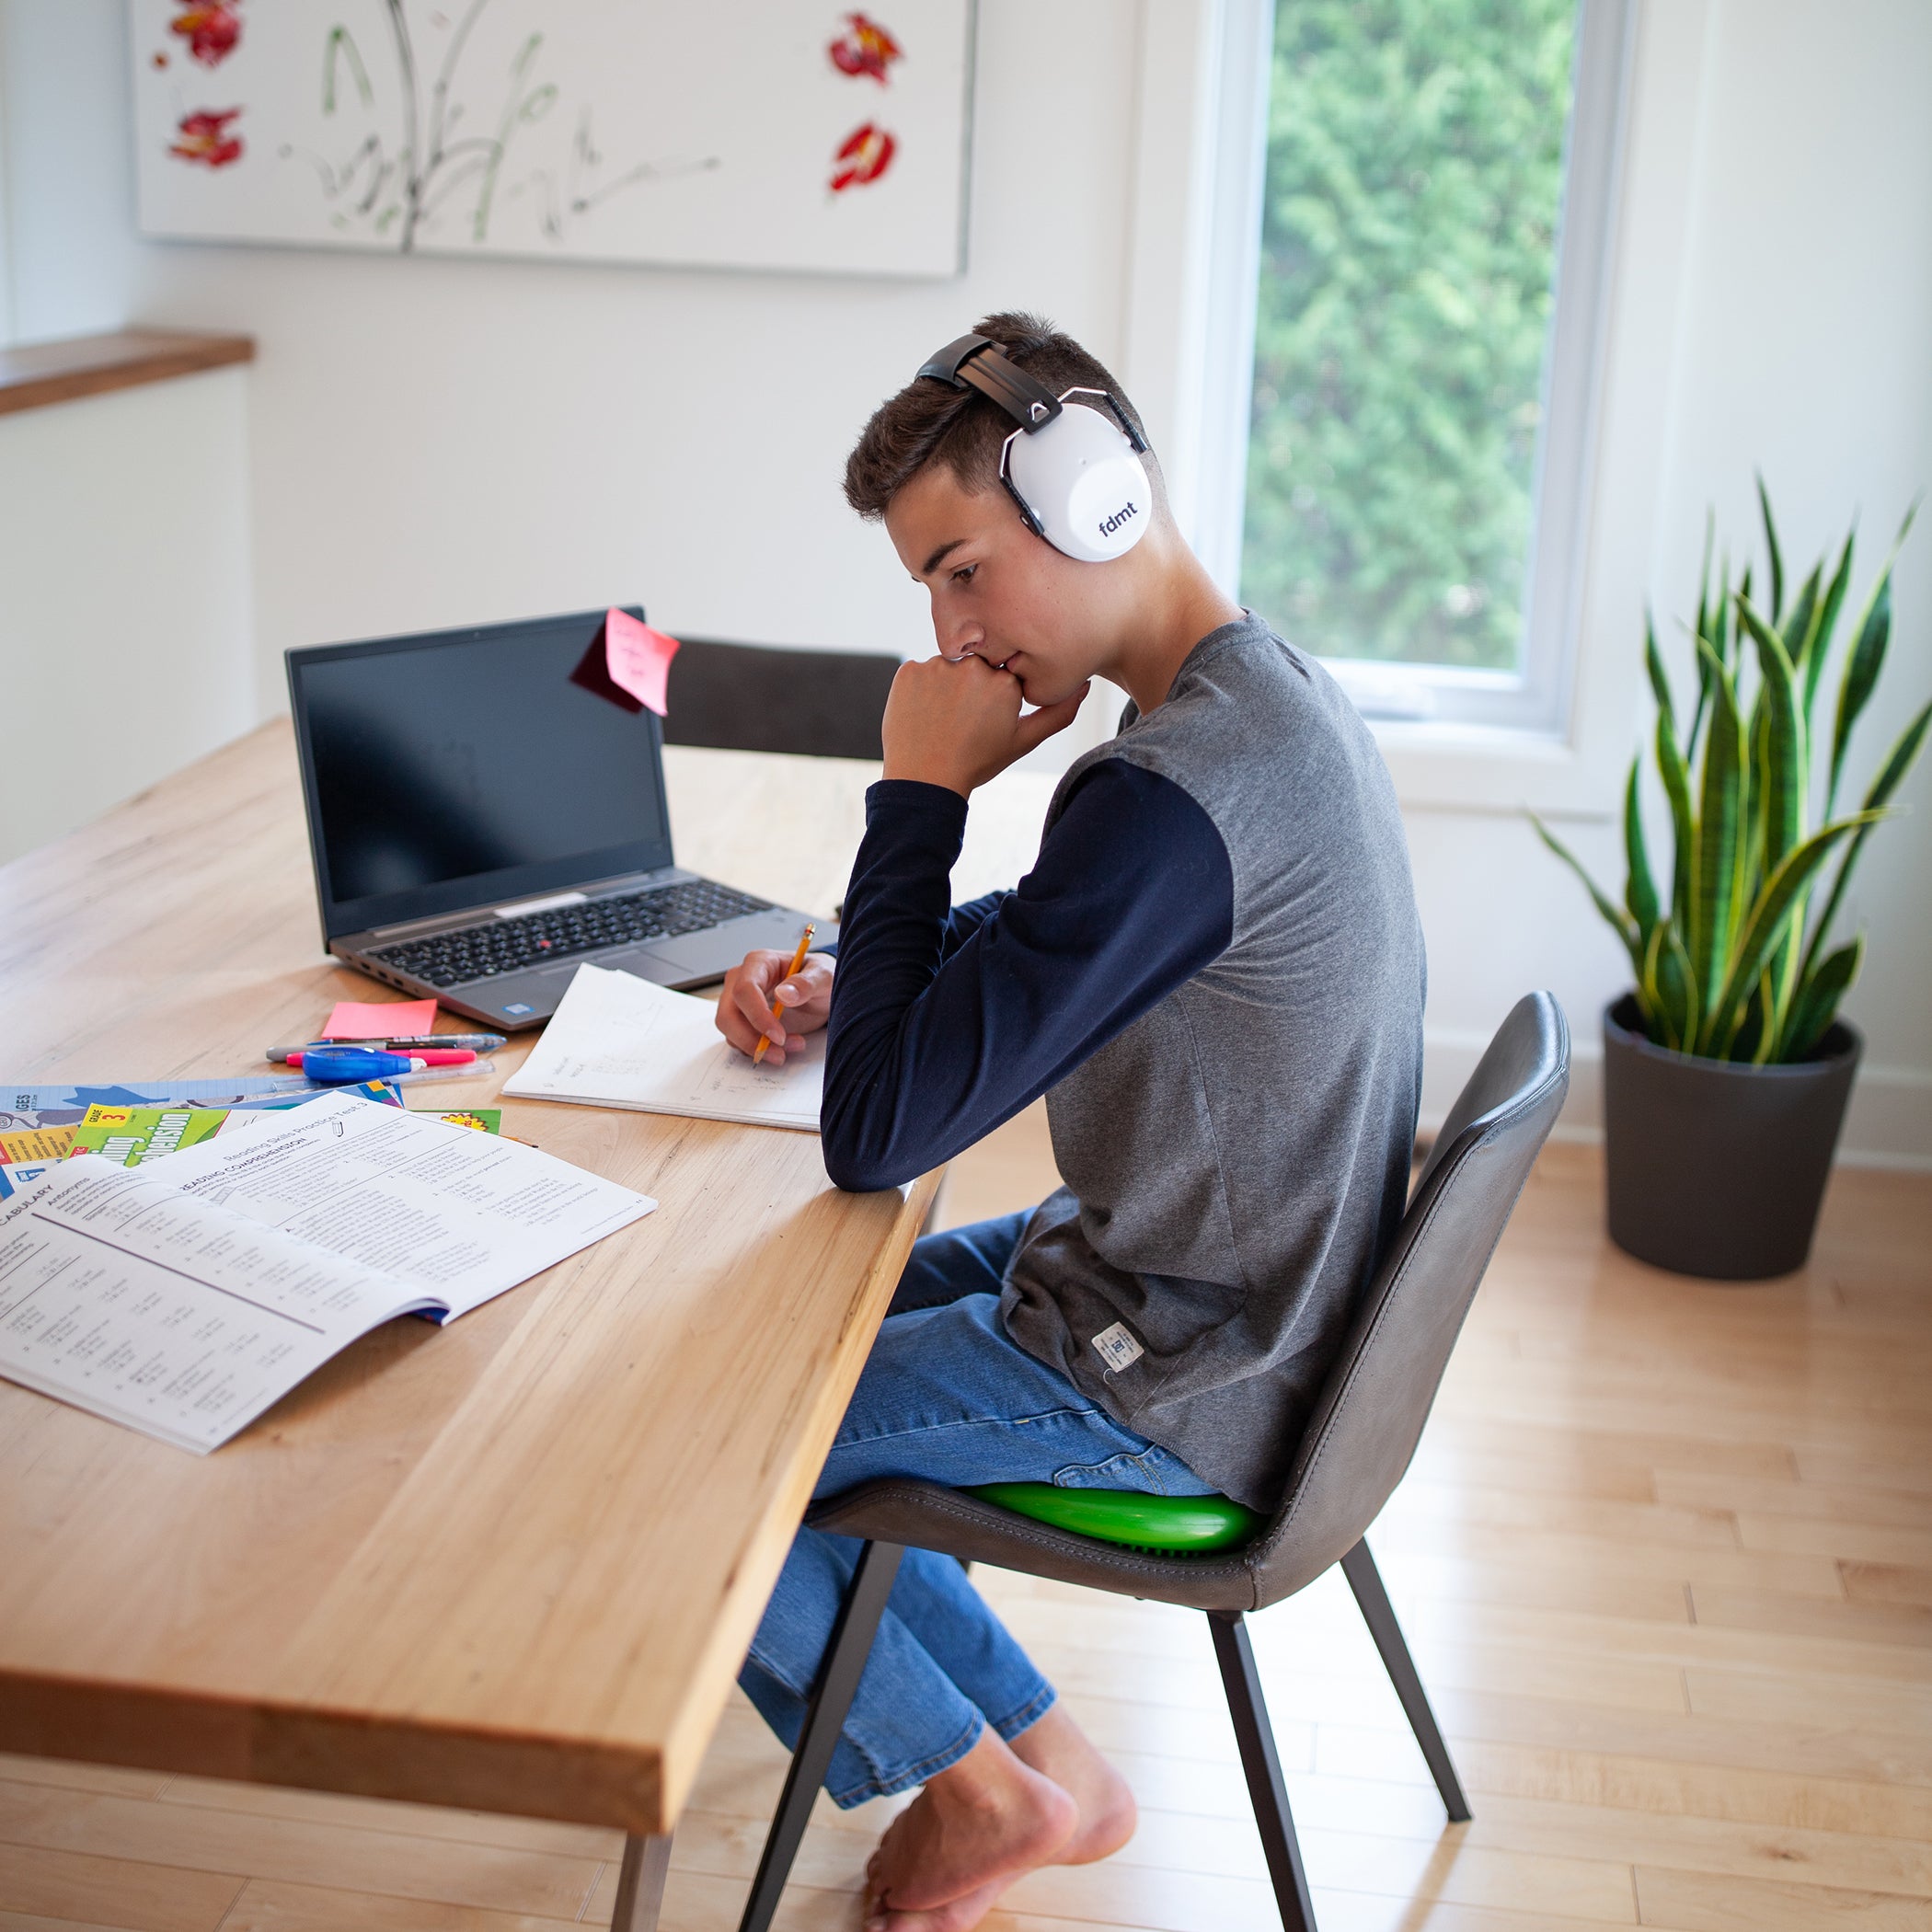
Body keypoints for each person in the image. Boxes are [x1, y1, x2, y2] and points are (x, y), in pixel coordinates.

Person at [713, 313, 1425, 1931]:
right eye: (929, 592)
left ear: (1096, 495)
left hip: (1185, 1377)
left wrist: (917, 796)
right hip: (1201, 1302)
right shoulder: (1248, 708)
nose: (953, 634)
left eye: (963, 569)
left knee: (706, 1451)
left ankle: (983, 1801)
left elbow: (877, 1136)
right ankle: (1052, 1778)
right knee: (756, 1334)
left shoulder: (1172, 797)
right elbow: (1054, 944)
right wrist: (861, 979)